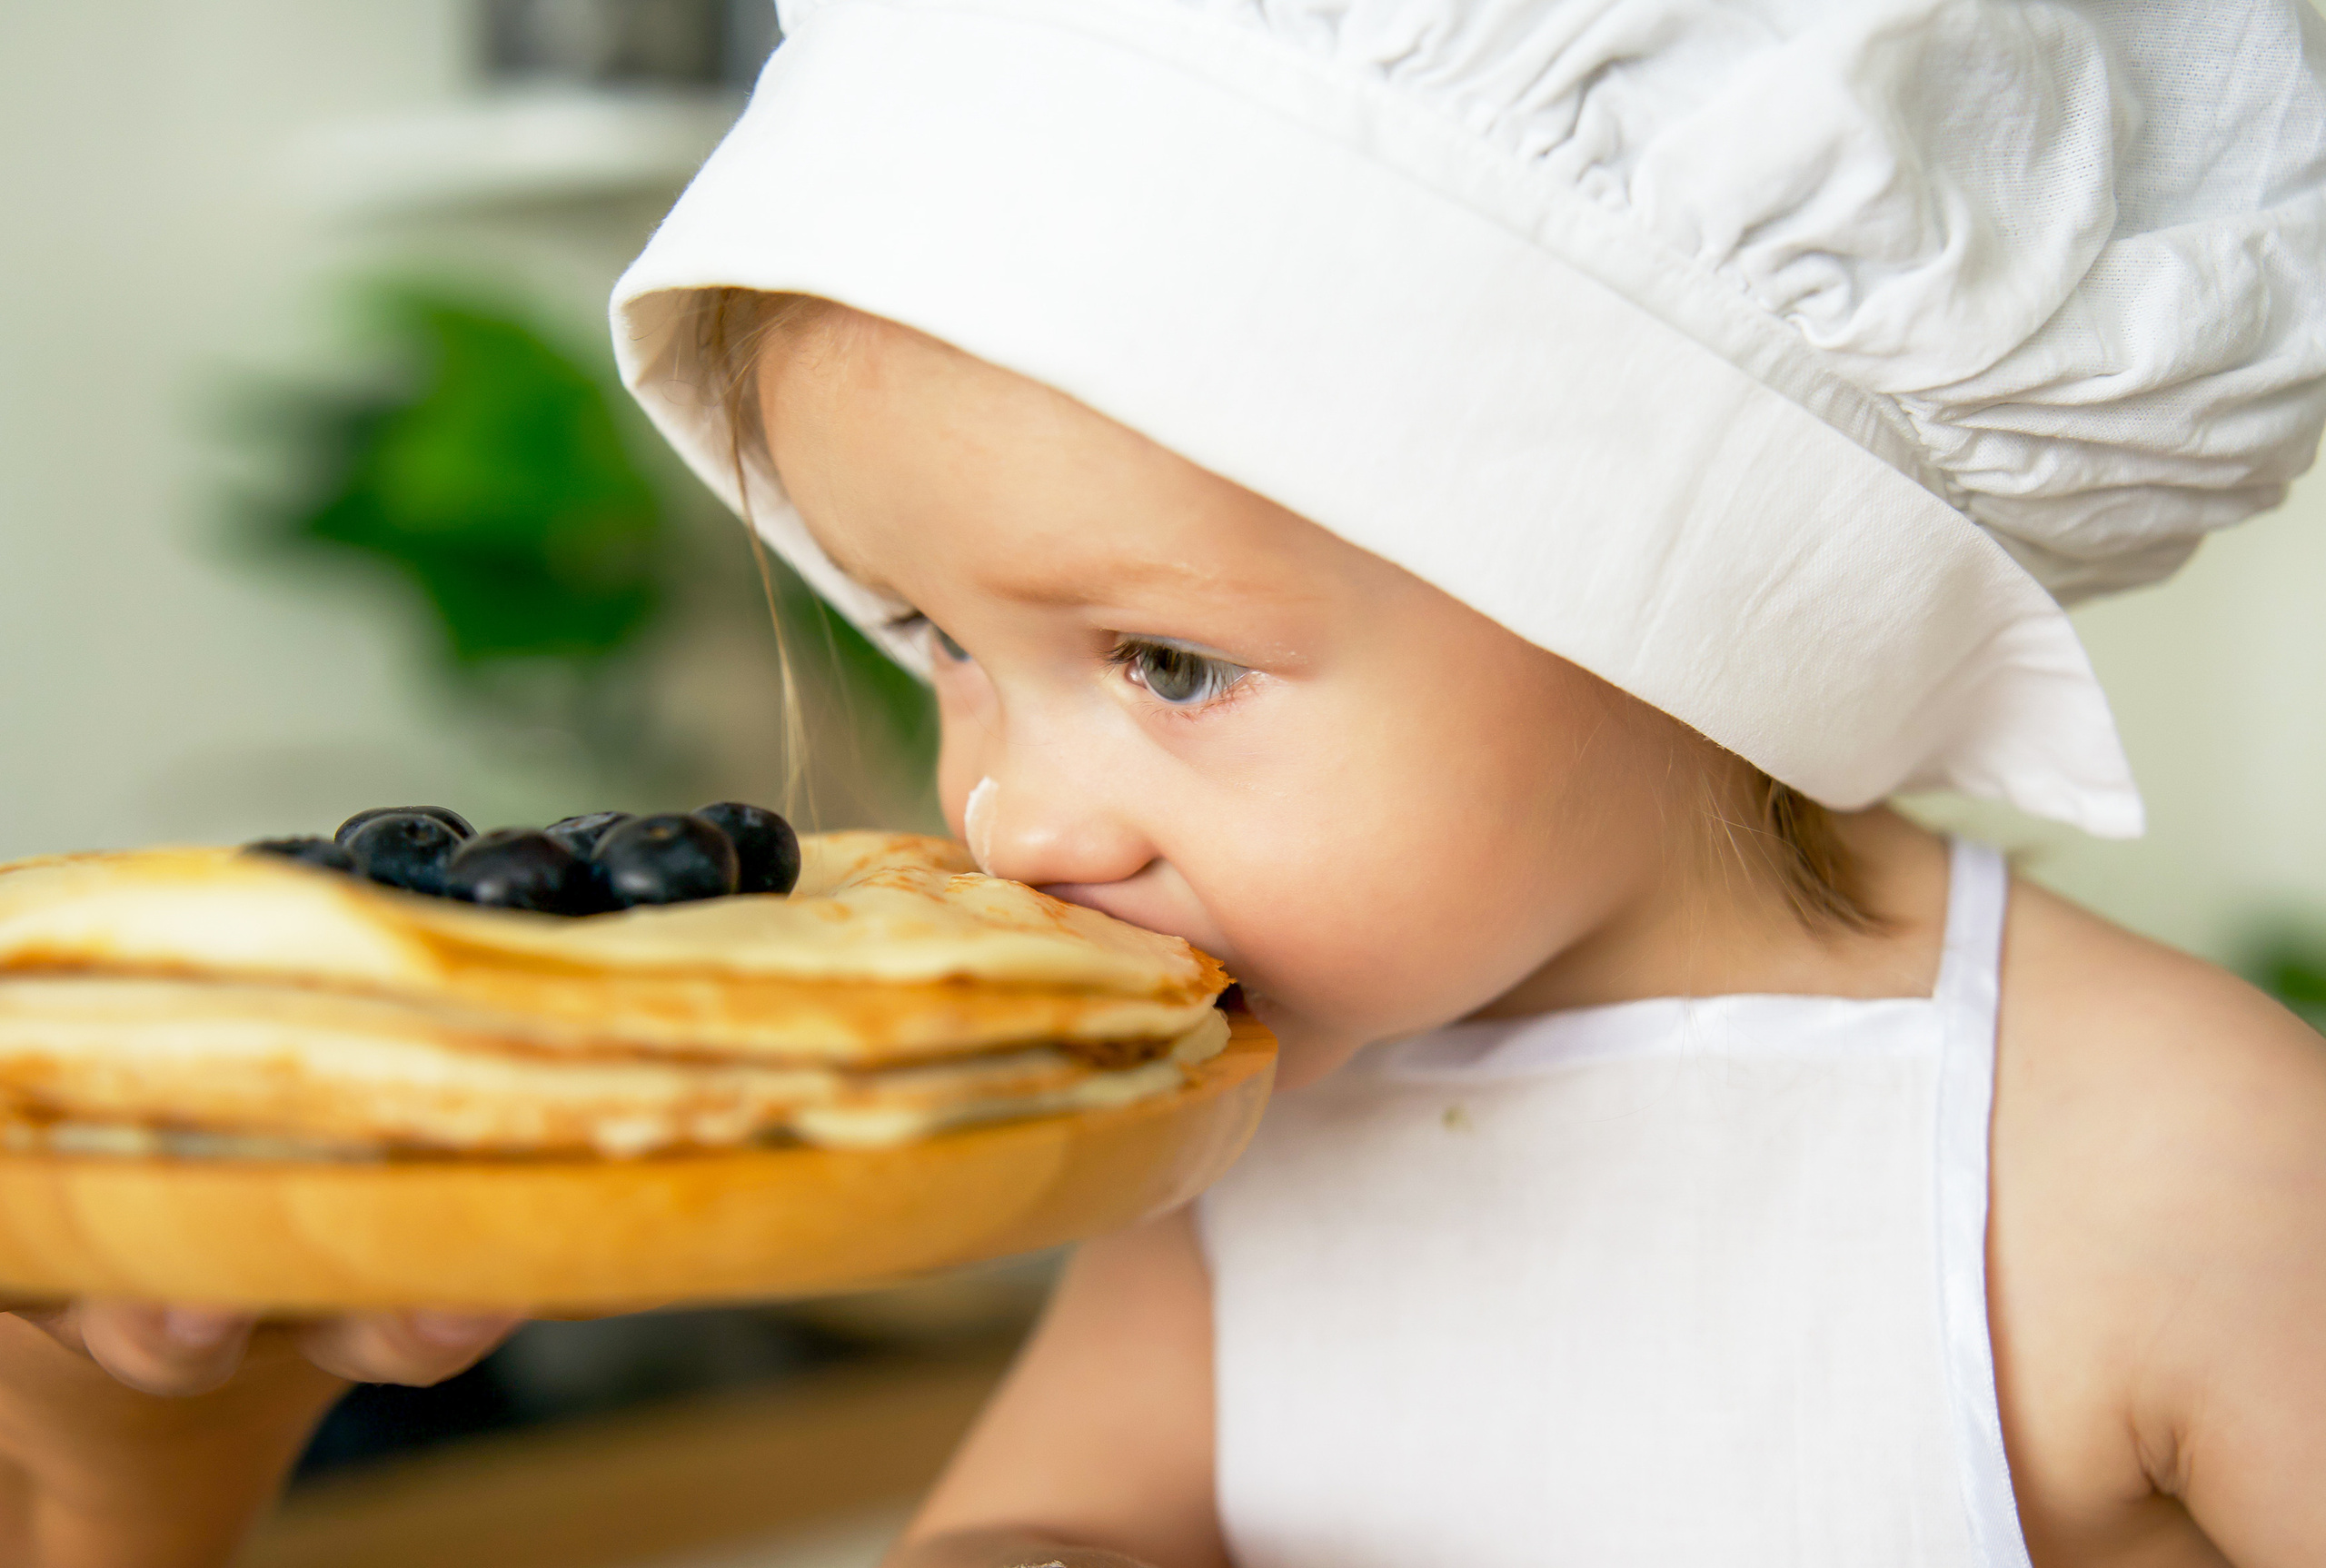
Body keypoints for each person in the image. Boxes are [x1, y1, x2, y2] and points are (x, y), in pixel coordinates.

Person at [7, 1, 2326, 1564]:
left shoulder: (2165, 1155)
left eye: (1168, 660)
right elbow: (1048, 1528)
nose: (1013, 812)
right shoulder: (1227, 1139)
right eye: (931, 640)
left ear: (1681, 606)